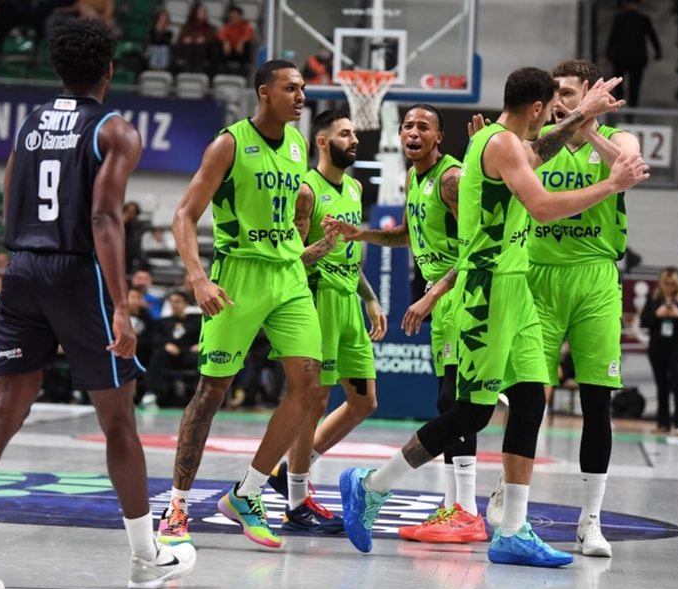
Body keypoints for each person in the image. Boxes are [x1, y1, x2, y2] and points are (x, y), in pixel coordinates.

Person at [327, 68, 647, 566]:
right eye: (551, 108)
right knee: (471, 413)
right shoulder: (497, 144)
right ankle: (371, 485)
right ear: (537, 108)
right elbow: (542, 208)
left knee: (529, 402)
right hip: (487, 289)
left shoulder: (507, 143)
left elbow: (540, 151)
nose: (552, 118)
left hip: (518, 288)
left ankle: (513, 531)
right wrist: (612, 185)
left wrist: (584, 117)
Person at [0, 19, 196, 589]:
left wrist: (27, 250)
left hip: (23, 267)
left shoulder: (30, 124)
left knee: (2, 411)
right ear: (110, 70)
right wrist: (120, 305)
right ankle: (146, 556)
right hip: (76, 272)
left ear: (58, 68)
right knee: (118, 420)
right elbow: (103, 217)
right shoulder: (116, 130)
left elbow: (10, 193)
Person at [157, 59, 322, 550]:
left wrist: (303, 244)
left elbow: (291, 213)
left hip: (288, 277)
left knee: (309, 386)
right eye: (291, 87)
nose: (300, 95)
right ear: (264, 92)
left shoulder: (299, 145)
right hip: (237, 277)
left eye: (303, 88)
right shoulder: (228, 144)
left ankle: (247, 493)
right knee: (212, 391)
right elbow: (184, 215)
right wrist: (198, 278)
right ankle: (177, 505)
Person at [481, 59, 642, 559]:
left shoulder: (617, 137)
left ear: (590, 93)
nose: (558, 103)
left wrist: (587, 126)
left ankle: (590, 521)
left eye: (568, 94)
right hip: (538, 275)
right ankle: (510, 496)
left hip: (595, 278)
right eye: (555, 96)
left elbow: (629, 167)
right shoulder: (537, 144)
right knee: (529, 395)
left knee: (597, 401)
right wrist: (570, 123)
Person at [323, 103, 487, 543]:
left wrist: (433, 294)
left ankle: (466, 508)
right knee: (449, 402)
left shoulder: (451, 179)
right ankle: (457, 508)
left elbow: (476, 245)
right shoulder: (416, 178)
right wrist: (362, 234)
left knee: (462, 401)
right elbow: (409, 235)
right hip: (442, 296)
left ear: (439, 137)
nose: (413, 132)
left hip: (463, 294)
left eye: (423, 126)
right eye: (408, 125)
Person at [264, 109, 387, 533]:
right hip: (318, 300)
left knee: (364, 402)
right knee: (314, 400)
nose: (354, 140)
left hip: (349, 301)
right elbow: (290, 259)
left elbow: (350, 254)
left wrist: (370, 298)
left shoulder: (354, 188)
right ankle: (297, 501)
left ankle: (290, 471)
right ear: (322, 141)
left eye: (354, 133)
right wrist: (322, 247)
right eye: (345, 134)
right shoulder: (306, 192)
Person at [640, 267, 678, 433]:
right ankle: (663, 422)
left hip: (676, 345)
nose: (669, 287)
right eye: (666, 283)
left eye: (672, 284)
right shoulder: (654, 299)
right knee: (661, 384)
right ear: (661, 284)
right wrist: (658, 314)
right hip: (657, 345)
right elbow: (645, 321)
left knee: (677, 384)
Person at [605, 0, 661, 108]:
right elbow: (652, 36)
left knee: (618, 82)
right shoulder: (643, 19)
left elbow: (613, 37)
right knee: (634, 84)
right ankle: (632, 108)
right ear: (639, 5)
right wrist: (658, 51)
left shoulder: (619, 19)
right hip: (637, 57)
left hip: (620, 56)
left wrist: (608, 54)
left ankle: (619, 102)